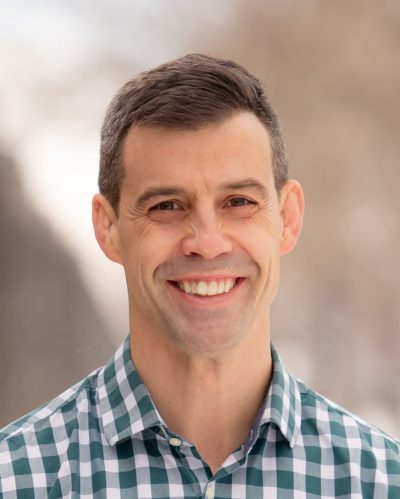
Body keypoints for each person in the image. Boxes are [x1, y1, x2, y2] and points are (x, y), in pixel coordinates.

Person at [0, 54, 399, 498]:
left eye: (239, 202)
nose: (207, 243)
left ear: (288, 218)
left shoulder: (381, 481)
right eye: (167, 206)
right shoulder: (16, 479)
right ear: (108, 228)